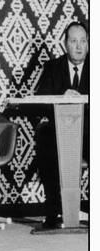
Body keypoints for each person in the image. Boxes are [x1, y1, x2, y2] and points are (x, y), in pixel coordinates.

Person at [35, 21, 89, 228]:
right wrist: (61, 96)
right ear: (65, 44)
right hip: (60, 132)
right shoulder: (53, 67)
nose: (79, 46)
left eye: (83, 41)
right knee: (45, 136)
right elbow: (40, 99)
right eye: (74, 41)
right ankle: (52, 212)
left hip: (89, 132)